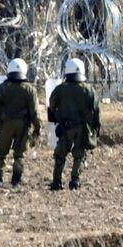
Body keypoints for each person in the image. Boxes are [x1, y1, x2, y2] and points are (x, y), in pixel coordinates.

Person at [47, 57, 100, 191]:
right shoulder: (88, 89)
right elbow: (96, 110)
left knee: (60, 154)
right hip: (82, 128)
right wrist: (95, 127)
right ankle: (75, 181)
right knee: (79, 155)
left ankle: (57, 181)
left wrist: (57, 120)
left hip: (65, 127)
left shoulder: (60, 90)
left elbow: (52, 106)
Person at [0, 57, 39, 188]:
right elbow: (35, 112)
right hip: (23, 125)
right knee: (19, 153)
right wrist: (38, 127)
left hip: (6, 124)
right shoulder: (29, 89)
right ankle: (16, 180)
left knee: (1, 152)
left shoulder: (2, 88)